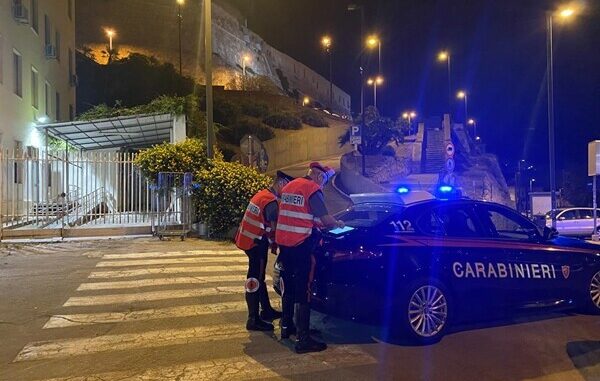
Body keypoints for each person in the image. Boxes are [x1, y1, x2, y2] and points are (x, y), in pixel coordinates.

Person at [275, 162, 344, 354]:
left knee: (287, 286)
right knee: (304, 290)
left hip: (285, 245)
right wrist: (338, 224)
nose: (323, 186)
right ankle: (303, 339)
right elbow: (326, 219)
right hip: (301, 246)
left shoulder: (290, 186)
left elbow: (295, 215)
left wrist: (316, 223)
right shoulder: (312, 189)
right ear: (320, 177)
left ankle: (287, 327)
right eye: (324, 182)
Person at [235, 171, 294, 331]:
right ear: (281, 183)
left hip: (249, 241)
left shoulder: (262, 195)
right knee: (255, 278)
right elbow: (275, 228)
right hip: (256, 244)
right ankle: (253, 319)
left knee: (259, 277)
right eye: (287, 186)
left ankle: (266, 310)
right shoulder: (270, 202)